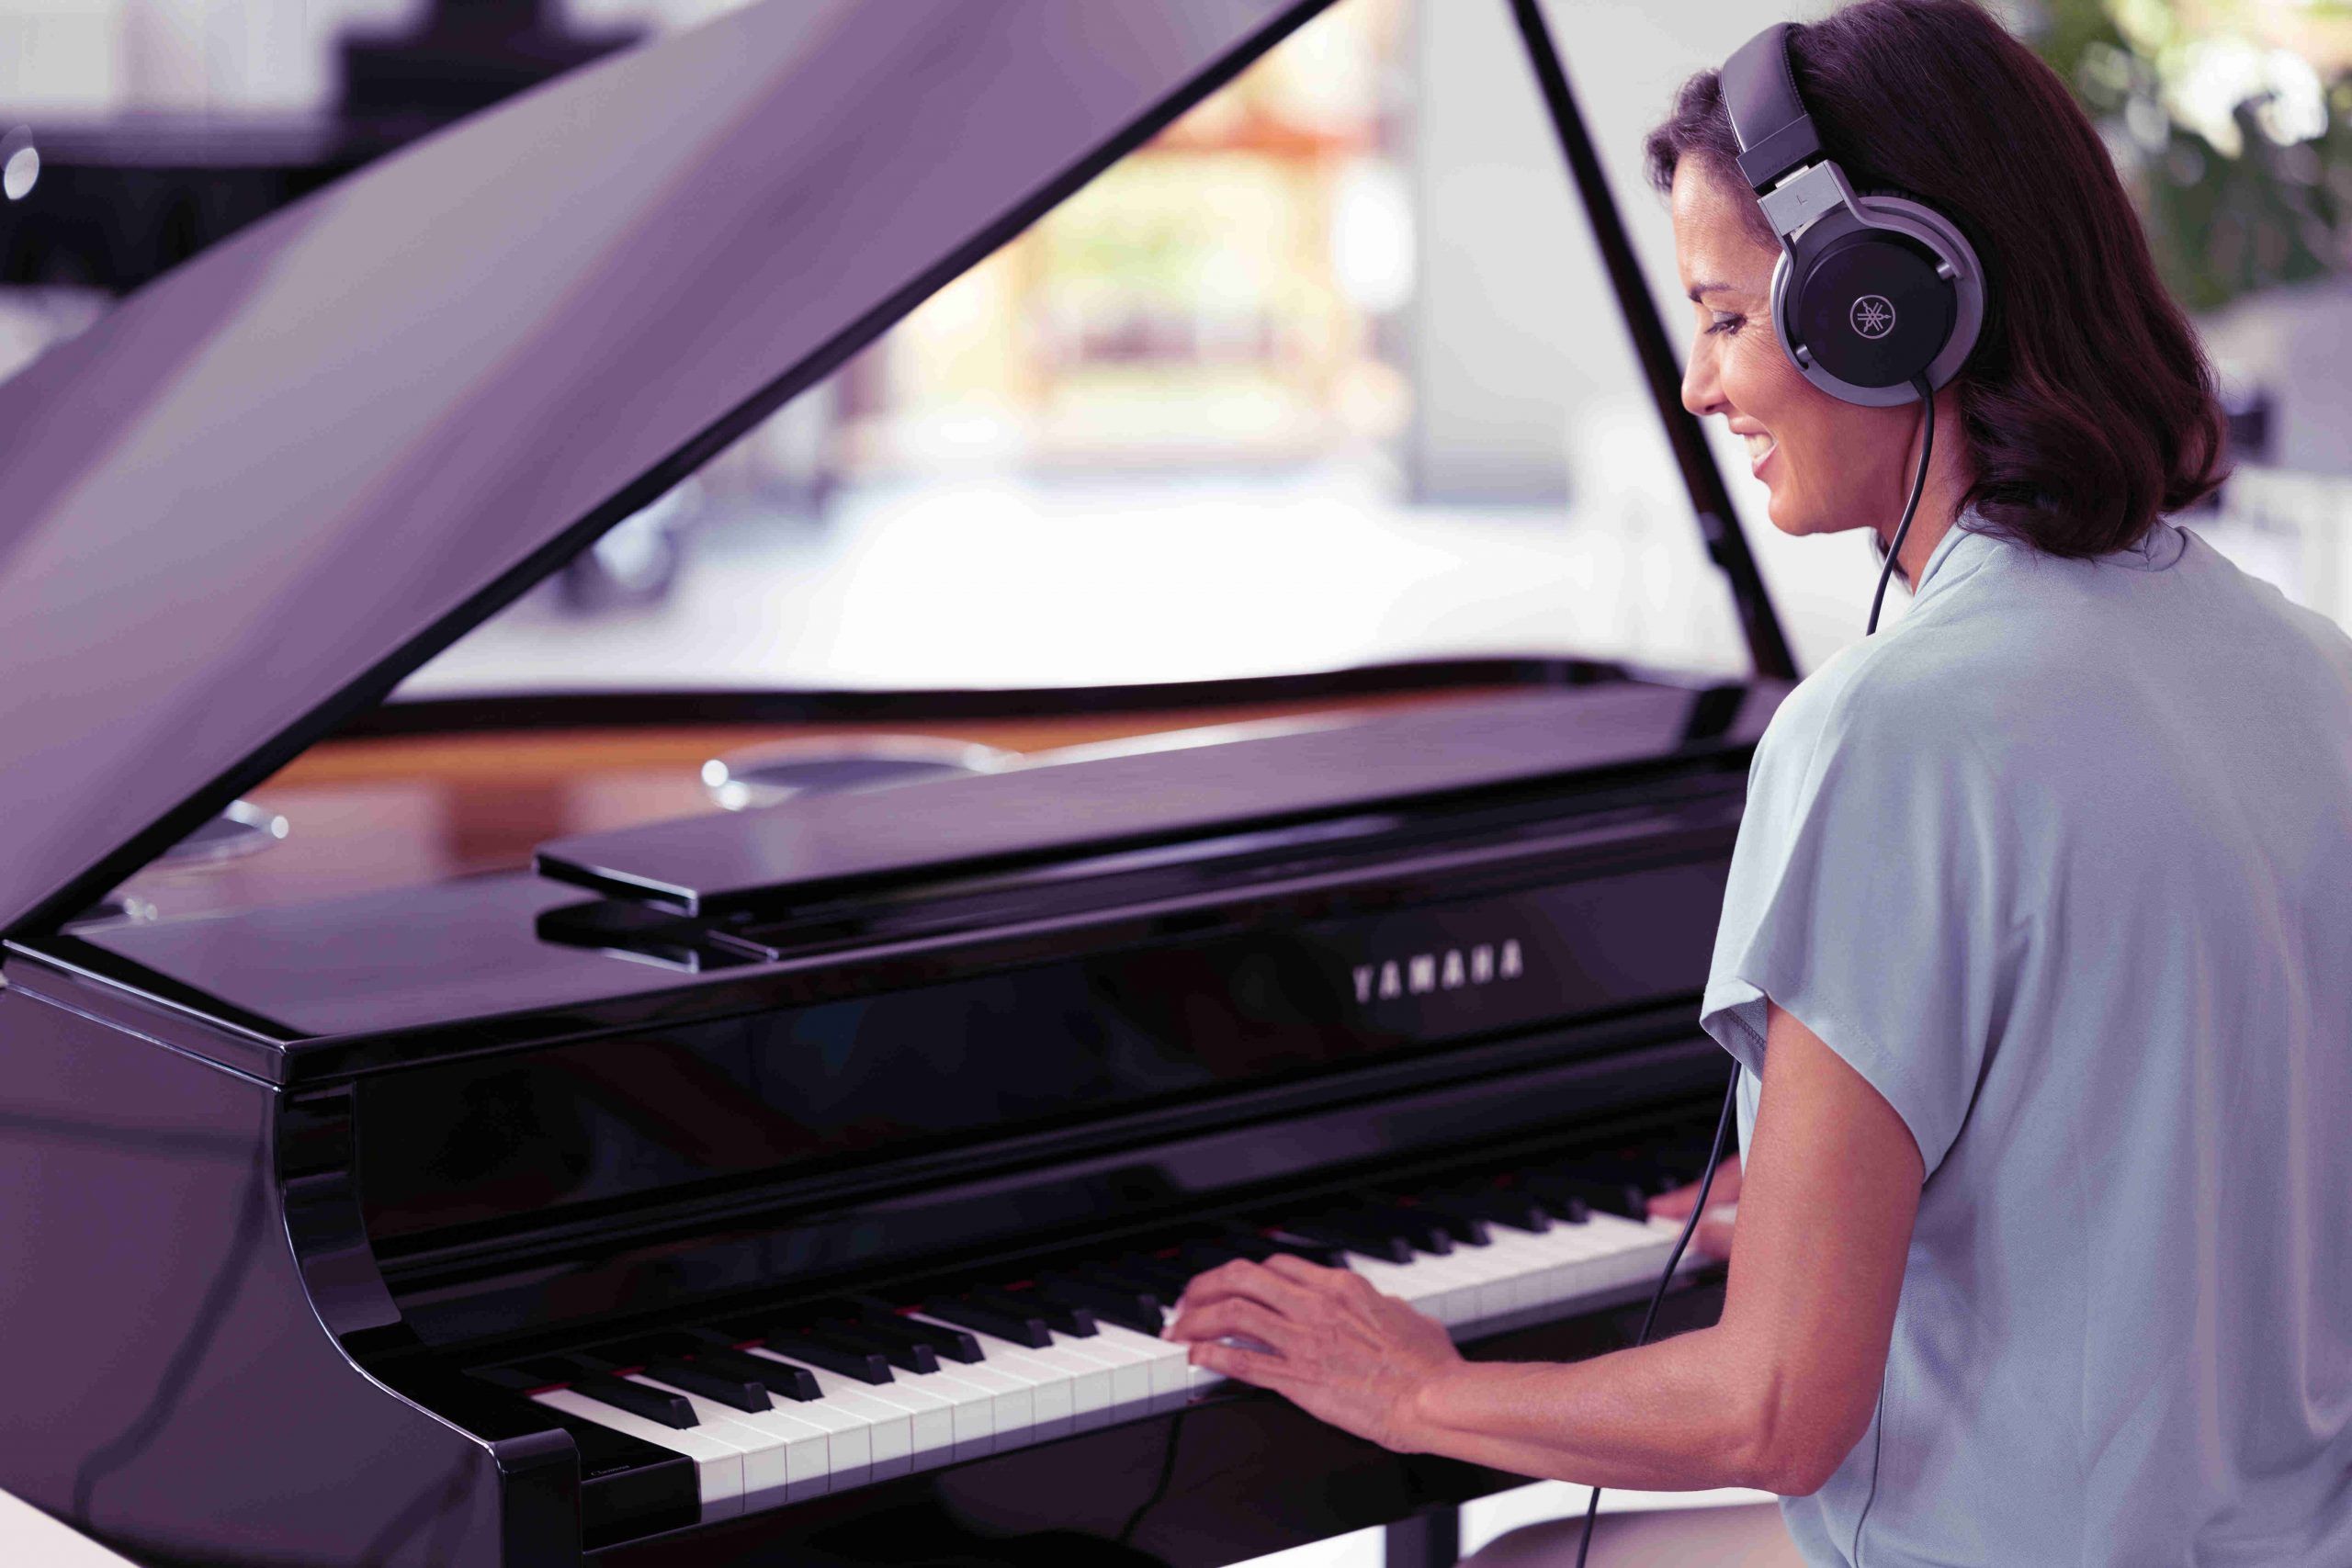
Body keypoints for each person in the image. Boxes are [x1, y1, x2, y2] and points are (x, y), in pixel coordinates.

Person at [1164, 2, 2352, 1563]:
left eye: (1727, 319)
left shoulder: (1891, 731)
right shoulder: (2310, 662)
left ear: (1887, 310)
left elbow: (1776, 1410)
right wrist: (1867, 1215)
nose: (1699, 389)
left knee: (1524, 1558)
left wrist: (1417, 1388)